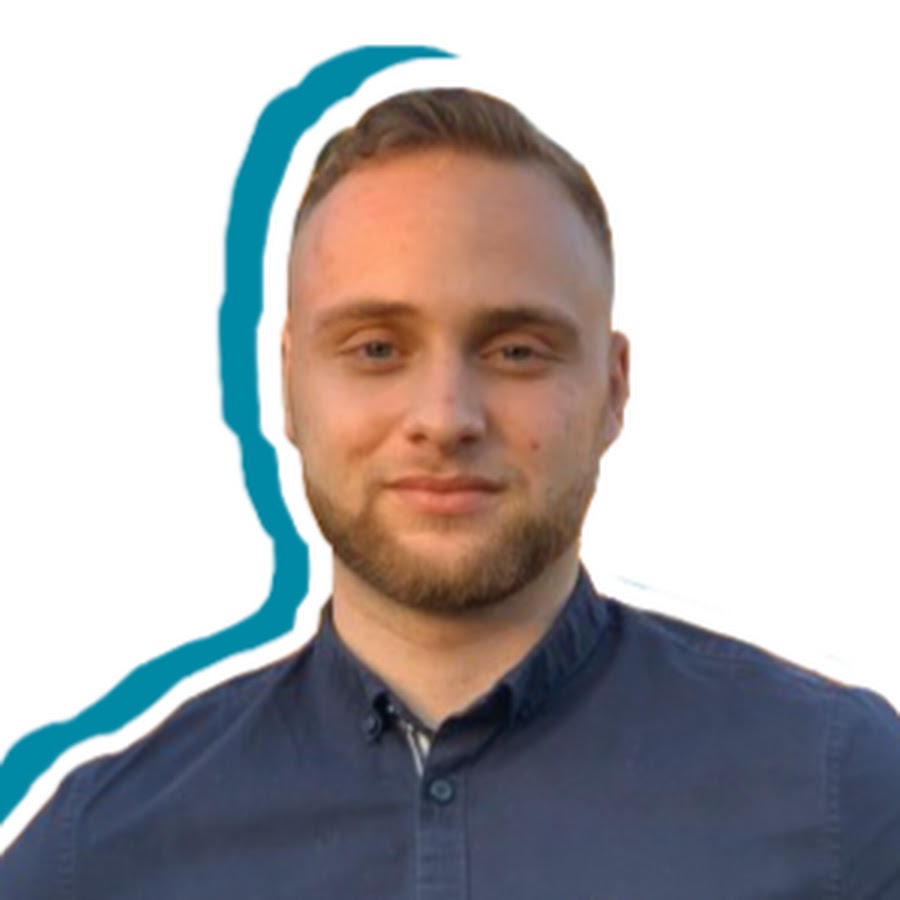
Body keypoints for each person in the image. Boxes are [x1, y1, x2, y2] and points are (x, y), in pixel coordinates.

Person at [2, 87, 899, 899]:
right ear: (288, 388)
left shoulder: (846, 798)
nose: (444, 418)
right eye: (376, 348)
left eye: (516, 350)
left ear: (614, 388)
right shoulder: (98, 858)